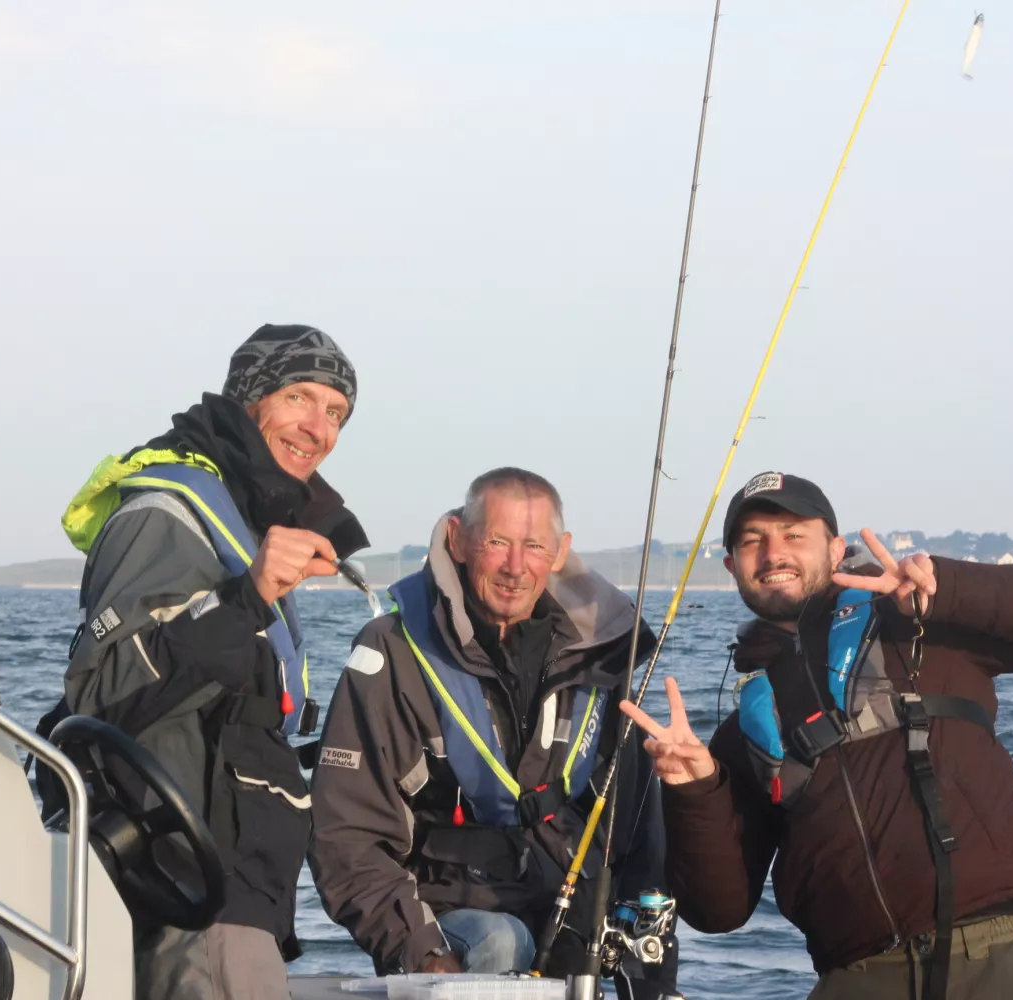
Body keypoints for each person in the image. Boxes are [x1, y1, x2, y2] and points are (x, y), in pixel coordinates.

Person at [620, 470, 1013, 1000]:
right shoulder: (744, 730)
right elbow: (718, 911)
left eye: (794, 534)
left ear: (836, 550)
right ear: (733, 566)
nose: (774, 553)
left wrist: (947, 590)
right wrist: (693, 790)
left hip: (998, 949)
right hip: (854, 975)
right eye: (753, 540)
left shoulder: (921, 624)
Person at [36, 324, 370, 1000]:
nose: (319, 428)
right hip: (182, 890)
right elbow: (101, 692)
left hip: (238, 891)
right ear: (249, 397)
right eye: (299, 397)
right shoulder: (165, 515)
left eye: (336, 413)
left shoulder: (251, 524)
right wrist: (244, 599)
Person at [308, 467, 680, 999]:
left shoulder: (602, 660)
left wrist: (651, 973)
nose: (515, 566)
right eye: (497, 542)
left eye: (534, 546)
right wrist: (423, 953)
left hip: (570, 917)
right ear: (458, 541)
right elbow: (346, 835)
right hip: (449, 922)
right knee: (500, 940)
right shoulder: (392, 652)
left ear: (560, 552)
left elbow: (641, 838)